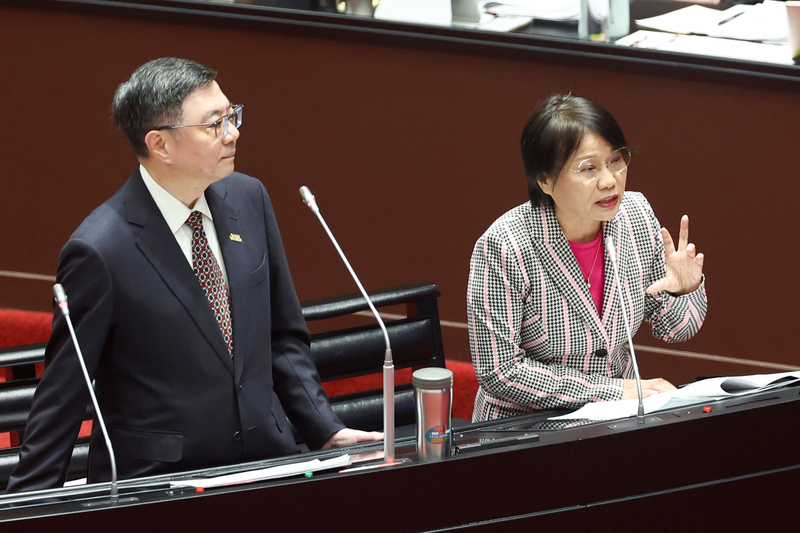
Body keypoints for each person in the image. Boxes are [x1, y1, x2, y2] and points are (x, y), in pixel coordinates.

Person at [6, 57, 381, 492]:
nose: (233, 132)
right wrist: (27, 504)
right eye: (214, 124)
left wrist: (325, 429)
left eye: (232, 115)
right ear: (160, 145)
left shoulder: (248, 198)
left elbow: (281, 337)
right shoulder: (100, 250)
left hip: (267, 465)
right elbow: (65, 391)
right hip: (161, 485)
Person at [467, 94, 707, 422]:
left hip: (615, 421)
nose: (609, 181)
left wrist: (684, 290)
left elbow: (676, 330)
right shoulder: (505, 246)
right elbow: (501, 372)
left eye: (616, 160)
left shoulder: (635, 217)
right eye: (588, 168)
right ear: (544, 180)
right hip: (526, 426)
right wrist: (612, 392)